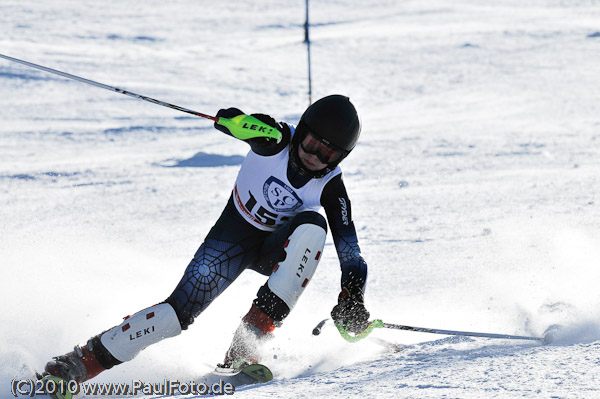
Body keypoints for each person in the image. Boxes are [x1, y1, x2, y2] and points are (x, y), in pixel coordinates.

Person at [42, 94, 370, 382]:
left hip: (276, 250)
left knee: (313, 227)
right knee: (173, 317)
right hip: (230, 241)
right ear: (302, 131)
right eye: (313, 144)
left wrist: (352, 298)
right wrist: (239, 122)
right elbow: (235, 123)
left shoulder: (331, 188)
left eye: (329, 155)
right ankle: (77, 365)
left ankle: (246, 347)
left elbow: (350, 253)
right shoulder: (276, 139)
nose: (316, 158)